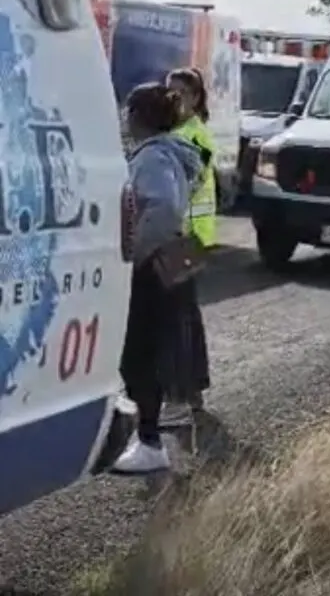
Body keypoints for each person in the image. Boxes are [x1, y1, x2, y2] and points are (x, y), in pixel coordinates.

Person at [112, 83, 203, 475]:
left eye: (127, 110)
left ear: (139, 116)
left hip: (155, 264)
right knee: (159, 348)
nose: (123, 117)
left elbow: (162, 207)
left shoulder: (152, 157)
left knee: (139, 354)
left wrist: (135, 251)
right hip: (176, 256)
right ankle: (149, 437)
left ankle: (149, 443)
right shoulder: (171, 151)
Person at [160, 66, 216, 428]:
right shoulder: (179, 133)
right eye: (169, 92)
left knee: (176, 317)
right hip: (184, 236)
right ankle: (191, 389)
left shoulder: (191, 138)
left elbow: (182, 187)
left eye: (179, 93)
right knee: (185, 315)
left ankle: (179, 394)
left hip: (186, 237)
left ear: (195, 99)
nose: (172, 99)